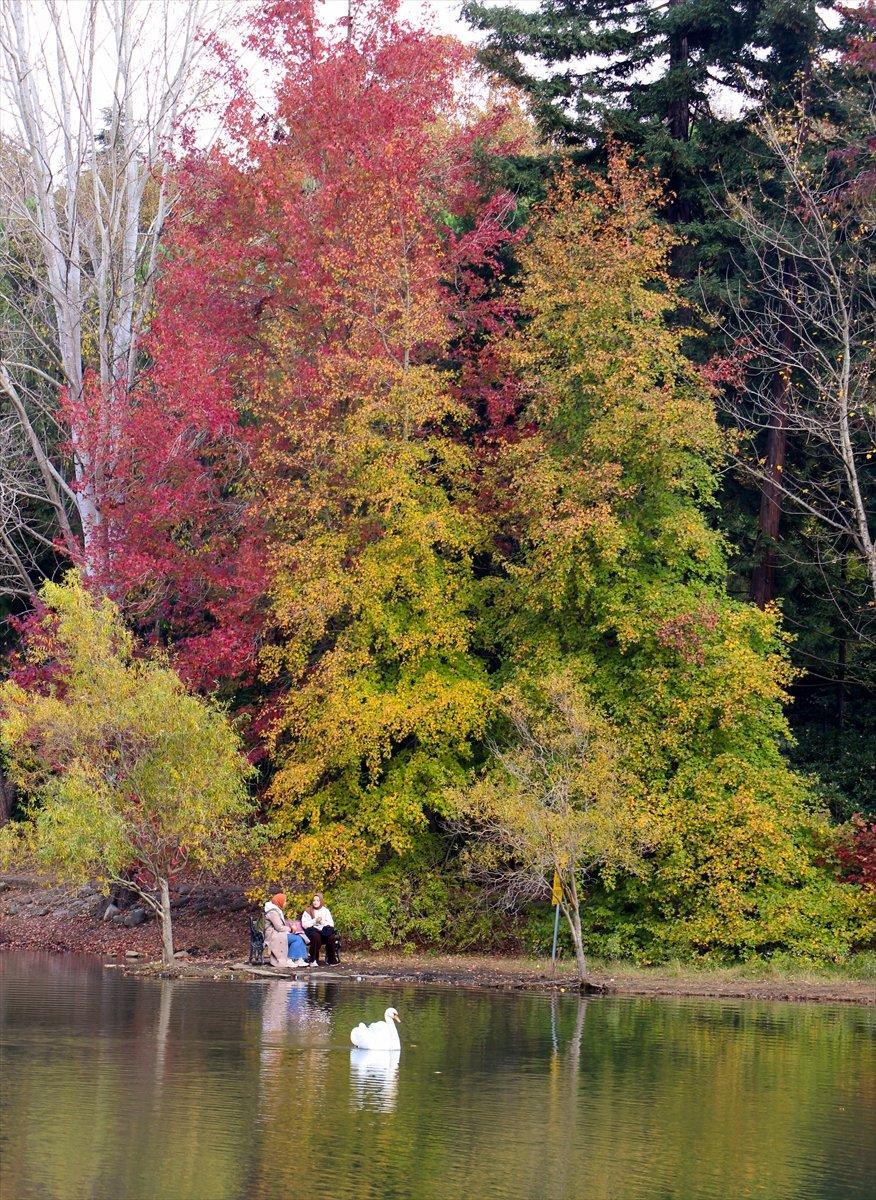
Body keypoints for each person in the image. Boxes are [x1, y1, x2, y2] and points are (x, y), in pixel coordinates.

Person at [301, 893, 339, 965]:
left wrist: (322, 922)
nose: (315, 902)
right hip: (312, 931)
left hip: (323, 932)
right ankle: (313, 959)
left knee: (331, 937)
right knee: (316, 936)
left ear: (321, 901)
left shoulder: (325, 911)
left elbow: (331, 924)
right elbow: (305, 924)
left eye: (318, 900)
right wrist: (314, 921)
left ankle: (331, 959)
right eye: (314, 900)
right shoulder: (308, 911)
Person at [263, 893, 289, 968]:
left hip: (275, 932)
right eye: (284, 901)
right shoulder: (273, 912)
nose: (285, 903)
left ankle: (297, 958)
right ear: (279, 901)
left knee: (298, 937)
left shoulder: (276, 910)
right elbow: (279, 928)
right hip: (272, 934)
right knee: (296, 939)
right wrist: (289, 929)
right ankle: (291, 958)